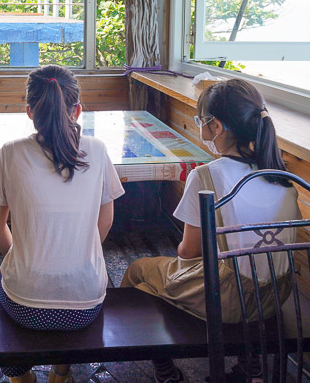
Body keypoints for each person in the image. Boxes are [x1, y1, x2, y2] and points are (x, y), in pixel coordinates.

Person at [121, 79, 300, 383]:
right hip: (275, 295)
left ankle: (164, 369)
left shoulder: (206, 176)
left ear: (216, 127)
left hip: (228, 298)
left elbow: (188, 252)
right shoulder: (281, 176)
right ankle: (250, 364)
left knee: (140, 271)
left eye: (200, 121)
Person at [0, 65, 125, 383]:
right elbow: (107, 218)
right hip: (86, 303)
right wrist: (77, 251)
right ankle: (61, 371)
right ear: (78, 110)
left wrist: (20, 255)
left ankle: (20, 376)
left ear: (30, 111)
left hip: (24, 305)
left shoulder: (9, 153)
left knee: (4, 284)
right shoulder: (98, 151)